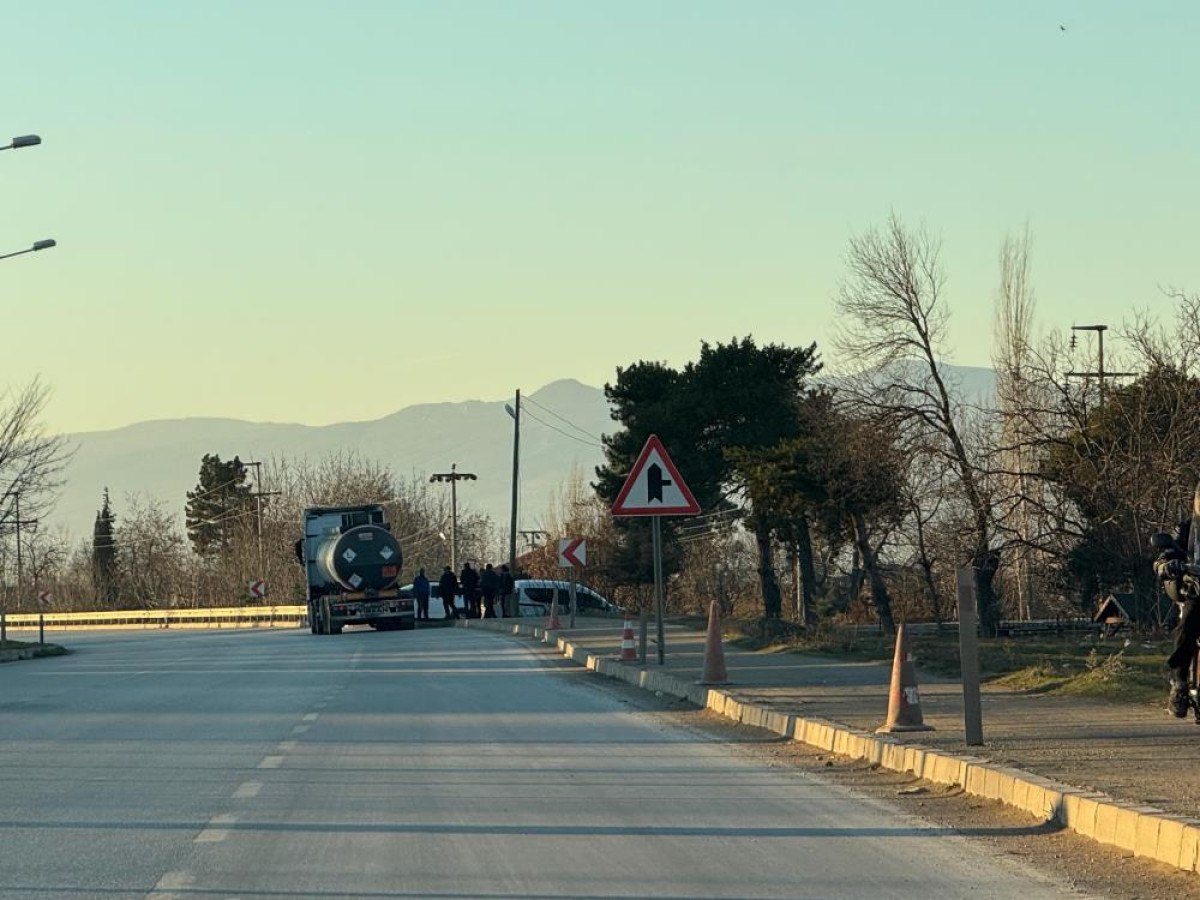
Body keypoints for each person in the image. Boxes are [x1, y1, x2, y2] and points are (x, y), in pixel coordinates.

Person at [1154, 518, 1200, 717]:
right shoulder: (1189, 528)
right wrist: (1166, 564)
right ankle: (1180, 684)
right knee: (1188, 624)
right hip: (1199, 589)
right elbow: (1168, 551)